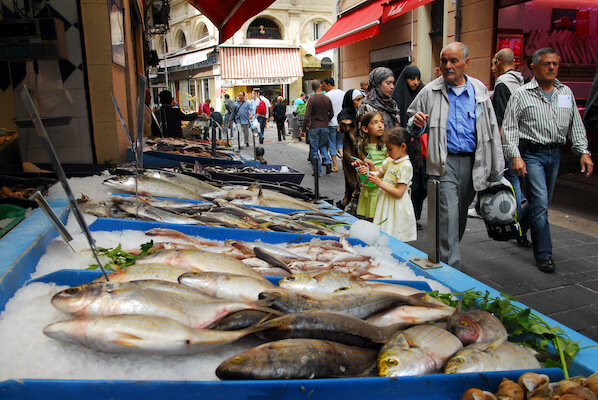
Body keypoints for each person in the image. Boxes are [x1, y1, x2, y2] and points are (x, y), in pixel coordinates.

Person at [407, 42, 505, 270]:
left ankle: (447, 252)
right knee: (449, 215)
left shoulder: (479, 89)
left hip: (473, 161)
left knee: (459, 216)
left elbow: (491, 127)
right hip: (444, 161)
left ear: (466, 63)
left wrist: (496, 166)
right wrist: (416, 122)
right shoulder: (430, 90)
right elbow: (411, 120)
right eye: (444, 61)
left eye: (454, 61)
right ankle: (452, 272)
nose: (448, 66)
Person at [502, 47, 594, 273]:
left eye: (555, 64)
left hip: (555, 154)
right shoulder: (521, 94)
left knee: (539, 202)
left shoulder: (565, 93)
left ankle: (517, 227)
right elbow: (509, 129)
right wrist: (515, 156)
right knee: (541, 204)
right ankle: (544, 255)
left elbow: (575, 124)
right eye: (546, 64)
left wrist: (583, 151)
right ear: (534, 67)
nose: (552, 67)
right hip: (531, 154)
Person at [491, 48, 530, 248]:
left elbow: (501, 118)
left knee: (512, 180)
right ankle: (521, 219)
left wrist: (498, 145)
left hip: (509, 141)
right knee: (520, 181)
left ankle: (518, 222)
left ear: (499, 62)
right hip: (525, 139)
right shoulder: (523, 82)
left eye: (493, 63)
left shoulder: (502, 84)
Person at [357, 127, 421, 242]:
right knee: (384, 232)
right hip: (385, 202)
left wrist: (379, 183)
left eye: (390, 149)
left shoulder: (405, 166)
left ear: (402, 147)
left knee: (394, 233)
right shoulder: (390, 160)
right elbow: (380, 173)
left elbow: (399, 192)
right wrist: (368, 169)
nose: (387, 152)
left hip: (396, 206)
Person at [392, 65, 426, 228]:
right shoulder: (396, 99)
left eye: (418, 79)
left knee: (420, 185)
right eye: (412, 78)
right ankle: (405, 217)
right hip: (402, 148)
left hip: (420, 148)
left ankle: (414, 215)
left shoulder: (424, 94)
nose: (415, 82)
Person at [352, 111, 387, 221]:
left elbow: (390, 168)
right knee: (370, 217)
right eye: (375, 122)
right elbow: (363, 161)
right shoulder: (363, 145)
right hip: (368, 185)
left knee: (379, 217)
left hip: (380, 186)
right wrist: (360, 165)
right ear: (365, 129)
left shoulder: (386, 145)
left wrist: (373, 168)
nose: (380, 125)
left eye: (381, 122)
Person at [337, 89, 364, 212]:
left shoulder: (362, 112)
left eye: (361, 98)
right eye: (357, 99)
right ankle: (350, 202)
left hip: (361, 152)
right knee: (352, 179)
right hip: (351, 154)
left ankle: (348, 201)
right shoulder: (346, 114)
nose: (361, 102)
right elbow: (343, 126)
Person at [302, 79, 333, 176]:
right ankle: (327, 161)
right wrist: (326, 120)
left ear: (312, 88)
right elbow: (331, 113)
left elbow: (307, 116)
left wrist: (303, 129)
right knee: (323, 146)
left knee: (314, 149)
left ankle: (317, 170)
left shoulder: (312, 99)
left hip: (314, 126)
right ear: (320, 86)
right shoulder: (327, 98)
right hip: (325, 126)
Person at [357, 67, 400, 131]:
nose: (392, 86)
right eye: (388, 83)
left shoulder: (392, 104)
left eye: (393, 83)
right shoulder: (367, 106)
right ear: (378, 84)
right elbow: (362, 133)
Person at [322, 77, 345, 172]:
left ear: (328, 84)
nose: (323, 87)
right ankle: (344, 161)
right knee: (340, 143)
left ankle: (335, 165)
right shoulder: (343, 93)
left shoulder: (327, 95)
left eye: (324, 85)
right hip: (341, 122)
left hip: (331, 123)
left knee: (332, 143)